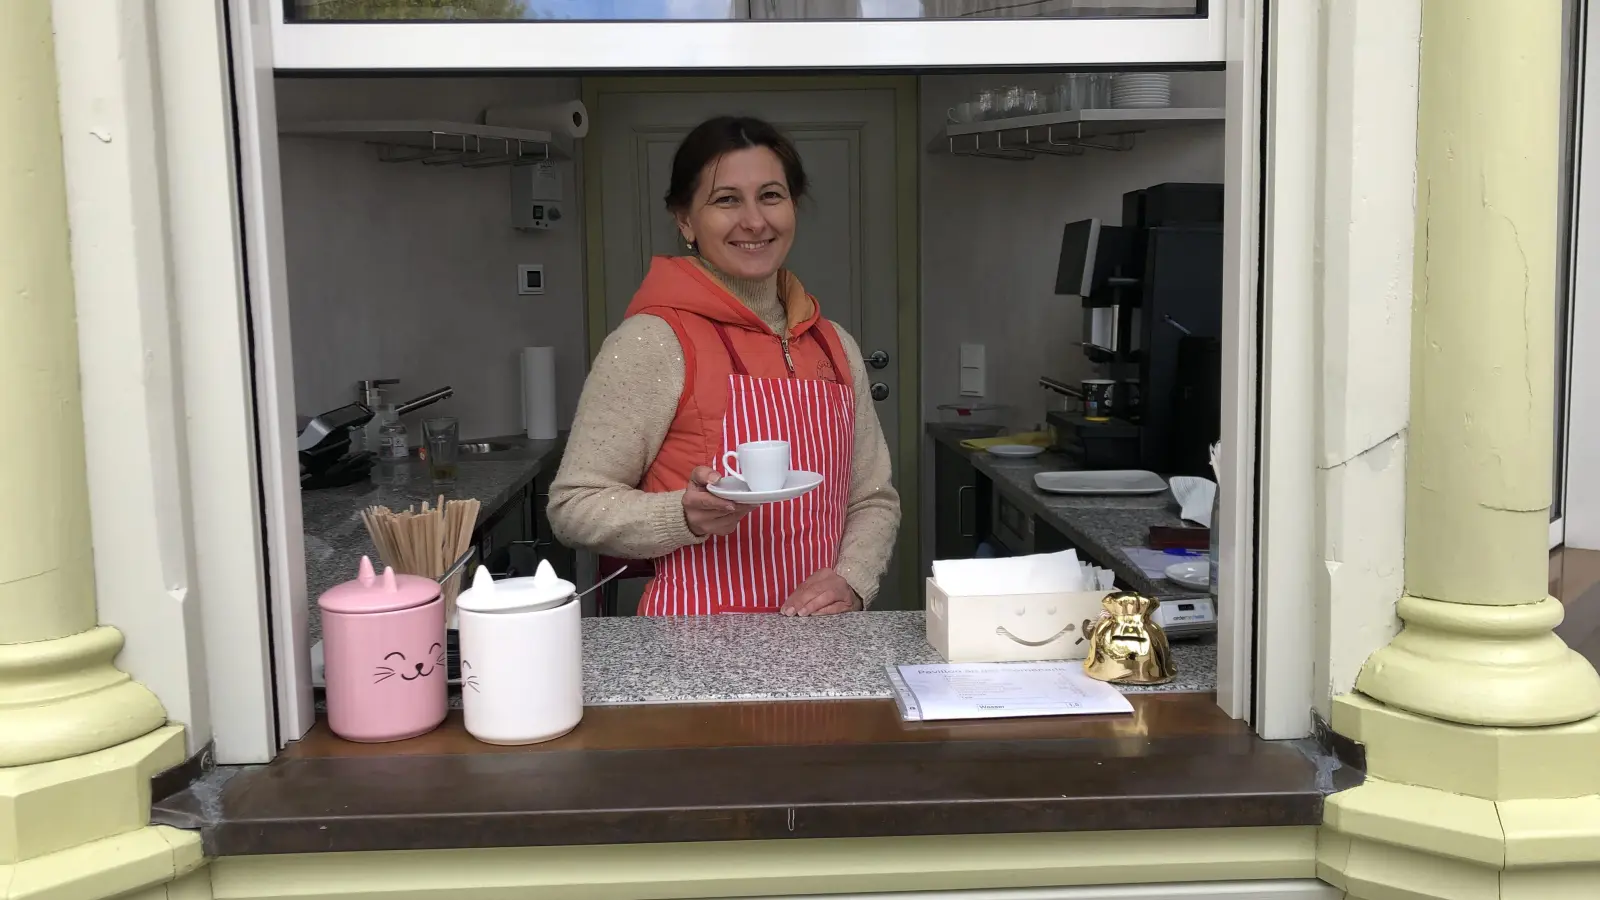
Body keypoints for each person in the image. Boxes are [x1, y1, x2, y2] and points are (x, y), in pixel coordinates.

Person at [548, 115, 900, 617]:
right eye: (726, 199)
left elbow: (873, 499)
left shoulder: (834, 345)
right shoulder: (653, 341)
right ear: (685, 220)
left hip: (824, 645)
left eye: (771, 196)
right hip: (695, 650)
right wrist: (680, 515)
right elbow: (573, 507)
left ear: (793, 207)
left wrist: (853, 580)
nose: (755, 221)